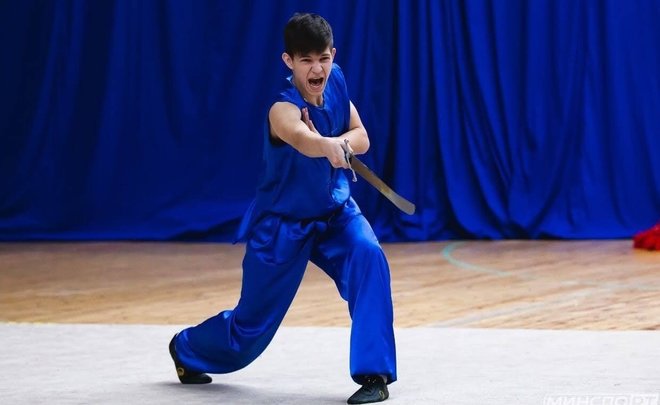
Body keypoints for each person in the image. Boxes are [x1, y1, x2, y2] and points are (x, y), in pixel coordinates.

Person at [168, 12, 396, 404]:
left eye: (323, 58)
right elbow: (301, 138)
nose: (317, 68)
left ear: (333, 54)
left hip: (335, 213)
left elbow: (362, 136)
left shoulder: (337, 82)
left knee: (369, 256)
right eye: (306, 60)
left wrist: (341, 143)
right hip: (282, 225)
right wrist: (325, 144)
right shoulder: (282, 109)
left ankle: (374, 374)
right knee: (249, 330)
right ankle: (186, 348)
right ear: (288, 61)